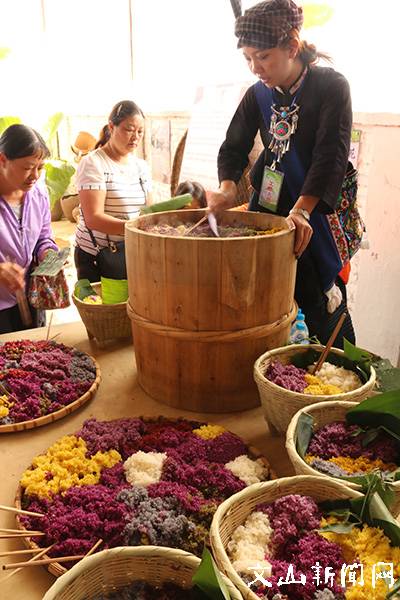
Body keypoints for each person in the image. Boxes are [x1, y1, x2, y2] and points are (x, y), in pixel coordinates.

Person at [207, 0, 356, 347]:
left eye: (263, 57)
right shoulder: (257, 95)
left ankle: (338, 373)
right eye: (247, 58)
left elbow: (329, 155)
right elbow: (233, 147)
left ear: (291, 47)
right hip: (271, 211)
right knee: (266, 304)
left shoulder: (331, 87)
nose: (255, 68)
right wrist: (228, 188)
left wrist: (302, 210)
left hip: (313, 215)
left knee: (320, 305)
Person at [74, 100, 152, 282]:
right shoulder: (93, 163)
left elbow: (150, 210)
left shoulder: (141, 166)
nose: (135, 137)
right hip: (97, 256)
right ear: (112, 126)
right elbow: (93, 218)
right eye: (129, 129)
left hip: (129, 251)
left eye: (140, 131)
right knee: (103, 307)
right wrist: (135, 228)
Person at [0, 124, 58, 334]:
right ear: (2, 160)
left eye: (40, 167)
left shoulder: (38, 193)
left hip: (29, 296)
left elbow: (43, 236)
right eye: (27, 167)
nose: (35, 175)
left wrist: (48, 253)